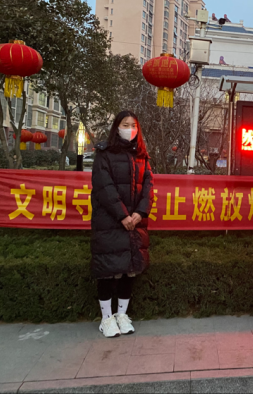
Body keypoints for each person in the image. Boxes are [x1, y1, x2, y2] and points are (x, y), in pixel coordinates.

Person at [90, 111, 154, 338]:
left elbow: (148, 187)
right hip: (110, 222)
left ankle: (122, 315)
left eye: (133, 125)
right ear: (116, 127)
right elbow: (104, 188)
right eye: (125, 125)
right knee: (108, 271)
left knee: (130, 269)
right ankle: (106, 319)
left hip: (135, 222)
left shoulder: (141, 155)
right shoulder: (104, 154)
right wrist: (122, 216)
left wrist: (139, 213)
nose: (130, 129)